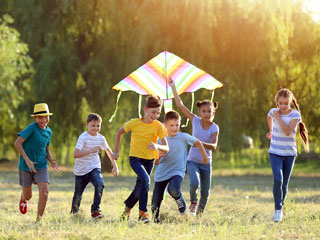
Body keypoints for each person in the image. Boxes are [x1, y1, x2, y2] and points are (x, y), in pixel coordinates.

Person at [114, 95, 169, 223]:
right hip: (135, 159)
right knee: (145, 180)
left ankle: (127, 209)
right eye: (153, 112)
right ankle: (142, 213)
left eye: (158, 113)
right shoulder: (134, 123)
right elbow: (119, 132)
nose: (155, 115)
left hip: (150, 161)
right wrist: (116, 150)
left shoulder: (159, 126)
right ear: (145, 109)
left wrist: (157, 146)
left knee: (141, 185)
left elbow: (166, 148)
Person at [169, 78, 219, 216]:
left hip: (206, 162)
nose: (206, 114)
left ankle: (199, 215)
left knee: (206, 192)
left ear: (213, 113)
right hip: (192, 160)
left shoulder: (215, 127)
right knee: (194, 183)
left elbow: (213, 146)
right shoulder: (195, 120)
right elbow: (179, 105)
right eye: (204, 111)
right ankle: (193, 202)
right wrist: (174, 86)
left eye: (209, 111)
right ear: (199, 112)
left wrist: (196, 142)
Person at [151, 110, 208, 223]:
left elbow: (198, 143)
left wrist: (204, 157)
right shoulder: (159, 140)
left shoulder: (183, 137)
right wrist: (158, 157)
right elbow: (155, 162)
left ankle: (183, 210)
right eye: (171, 125)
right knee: (155, 203)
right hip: (161, 173)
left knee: (173, 189)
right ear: (164, 125)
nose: (175, 128)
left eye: (177, 125)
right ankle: (155, 220)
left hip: (177, 171)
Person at [266, 88, 309, 222]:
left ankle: (281, 205)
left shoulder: (295, 115)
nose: (283, 106)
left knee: (284, 184)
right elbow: (269, 116)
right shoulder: (273, 111)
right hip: (275, 152)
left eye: (286, 103)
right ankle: (278, 209)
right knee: (278, 179)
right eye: (280, 103)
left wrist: (277, 117)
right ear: (277, 102)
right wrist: (271, 130)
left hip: (290, 154)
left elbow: (287, 132)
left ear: (290, 102)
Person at [14, 103, 59, 222]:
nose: (44, 120)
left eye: (46, 117)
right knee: (28, 196)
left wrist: (52, 161)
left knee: (44, 192)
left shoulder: (49, 132)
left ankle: (38, 220)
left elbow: (47, 149)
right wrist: (27, 160)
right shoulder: (32, 128)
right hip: (25, 166)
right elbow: (17, 143)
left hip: (41, 166)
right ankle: (23, 198)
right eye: (40, 117)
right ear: (35, 118)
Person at [70, 113, 119, 219]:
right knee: (78, 195)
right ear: (87, 125)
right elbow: (75, 154)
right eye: (93, 125)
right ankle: (74, 214)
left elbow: (108, 150)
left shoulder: (101, 138)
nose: (96, 128)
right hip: (81, 170)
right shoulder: (83, 137)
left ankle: (95, 210)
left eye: (98, 126)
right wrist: (91, 150)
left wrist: (115, 166)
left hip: (94, 167)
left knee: (100, 184)